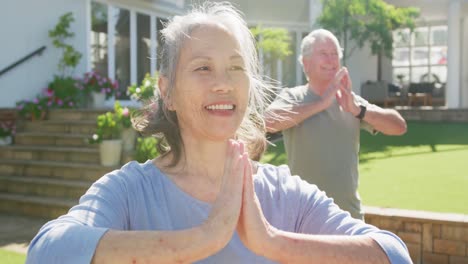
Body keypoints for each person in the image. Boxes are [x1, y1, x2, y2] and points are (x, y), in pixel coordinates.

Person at [26, 3, 411, 263]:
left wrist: (272, 242)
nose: (223, 84)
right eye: (202, 68)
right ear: (167, 92)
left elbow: (393, 253)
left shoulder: (285, 193)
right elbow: (46, 252)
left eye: (235, 68)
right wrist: (204, 238)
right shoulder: (130, 191)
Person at [265, 29, 407, 220]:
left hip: (349, 218)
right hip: (304, 218)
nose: (331, 60)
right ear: (306, 64)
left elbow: (399, 126)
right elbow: (268, 122)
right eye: (323, 54)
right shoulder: (293, 97)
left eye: (334, 55)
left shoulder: (350, 101)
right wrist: (321, 104)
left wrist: (359, 110)